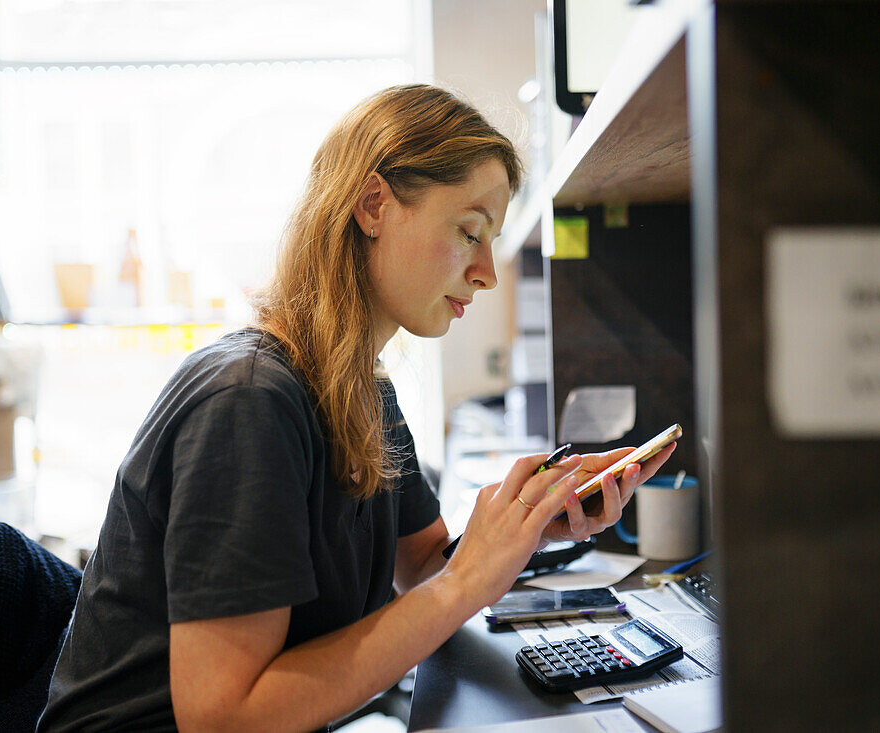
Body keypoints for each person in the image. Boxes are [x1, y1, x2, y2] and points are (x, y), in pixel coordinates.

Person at [37, 84, 675, 731]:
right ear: (374, 205)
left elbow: (424, 567)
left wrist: (526, 529)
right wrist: (463, 583)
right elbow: (224, 717)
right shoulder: (248, 403)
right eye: (469, 232)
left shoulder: (361, 390)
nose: (487, 271)